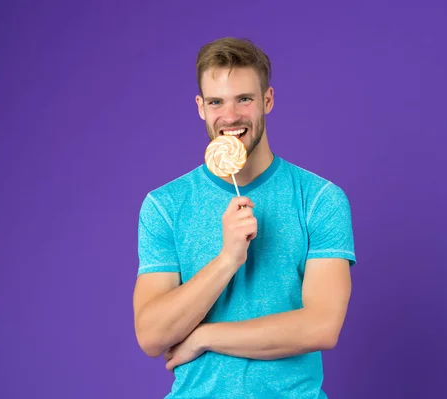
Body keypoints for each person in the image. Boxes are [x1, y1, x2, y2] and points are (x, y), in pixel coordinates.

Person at [133, 37, 356, 398]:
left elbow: (321, 326)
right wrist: (228, 258)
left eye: (245, 99)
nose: (231, 116)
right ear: (201, 107)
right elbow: (152, 335)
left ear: (267, 100)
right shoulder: (165, 205)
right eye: (217, 101)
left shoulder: (319, 199)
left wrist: (206, 337)